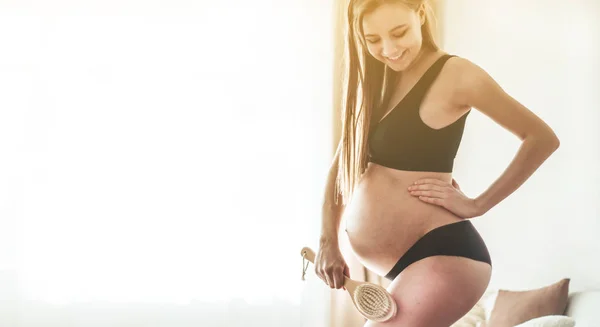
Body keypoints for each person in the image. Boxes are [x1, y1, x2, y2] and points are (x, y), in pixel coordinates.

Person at [314, 0, 561, 326]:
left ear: (420, 13)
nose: (388, 49)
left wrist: (478, 204)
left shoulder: (456, 74)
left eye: (398, 32)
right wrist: (327, 240)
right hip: (403, 263)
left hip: (445, 254)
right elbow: (342, 162)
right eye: (372, 39)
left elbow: (541, 138)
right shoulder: (379, 80)